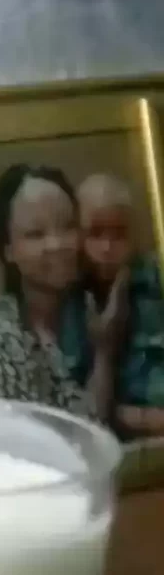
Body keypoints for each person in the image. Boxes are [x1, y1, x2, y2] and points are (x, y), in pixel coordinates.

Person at [0, 164, 127, 423]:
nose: (57, 244)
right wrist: (105, 353)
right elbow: (77, 439)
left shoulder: (90, 307)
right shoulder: (1, 344)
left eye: (67, 226)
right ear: (8, 250)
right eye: (35, 234)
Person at [76, 173, 164, 440]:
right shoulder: (70, 299)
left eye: (119, 234)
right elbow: (78, 410)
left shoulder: (156, 282)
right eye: (95, 233)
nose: (107, 248)